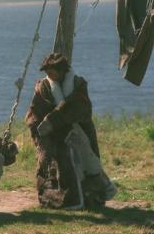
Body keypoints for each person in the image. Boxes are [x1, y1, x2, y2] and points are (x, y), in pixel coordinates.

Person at [25, 53, 116, 209]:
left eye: (52, 71)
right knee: (54, 165)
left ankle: (90, 198)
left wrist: (56, 117)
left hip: (80, 131)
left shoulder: (78, 84)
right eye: (47, 72)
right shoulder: (42, 87)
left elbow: (82, 108)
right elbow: (35, 111)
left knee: (86, 162)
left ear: (62, 71)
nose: (49, 75)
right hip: (52, 136)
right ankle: (57, 199)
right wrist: (41, 128)